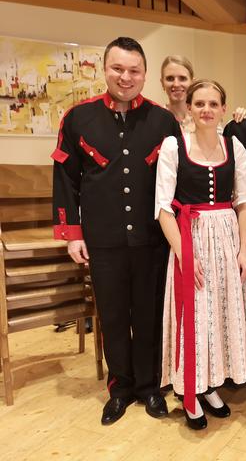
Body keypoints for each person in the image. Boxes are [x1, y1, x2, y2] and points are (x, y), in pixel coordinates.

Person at [52, 37, 182, 425]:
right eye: (118, 69)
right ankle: (120, 387)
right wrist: (71, 232)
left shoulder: (163, 120)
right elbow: (65, 179)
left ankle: (149, 386)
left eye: (134, 70)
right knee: (111, 315)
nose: (126, 77)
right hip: (102, 239)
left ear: (144, 74)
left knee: (148, 313)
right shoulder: (78, 117)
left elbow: (178, 181)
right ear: (105, 68)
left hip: (151, 240)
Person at [155, 80, 246, 430]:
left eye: (213, 103)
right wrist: (185, 254)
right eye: (199, 103)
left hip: (228, 238)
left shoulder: (236, 147)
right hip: (191, 237)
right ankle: (190, 388)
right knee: (195, 315)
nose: (206, 110)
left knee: (219, 314)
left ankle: (210, 382)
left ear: (223, 109)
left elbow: (244, 202)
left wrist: (244, 250)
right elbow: (163, 209)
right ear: (190, 106)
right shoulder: (174, 146)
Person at [160, 55, 195, 133]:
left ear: (192, 83)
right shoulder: (156, 119)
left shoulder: (202, 117)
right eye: (170, 78)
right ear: (162, 83)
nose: (176, 84)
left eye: (182, 78)